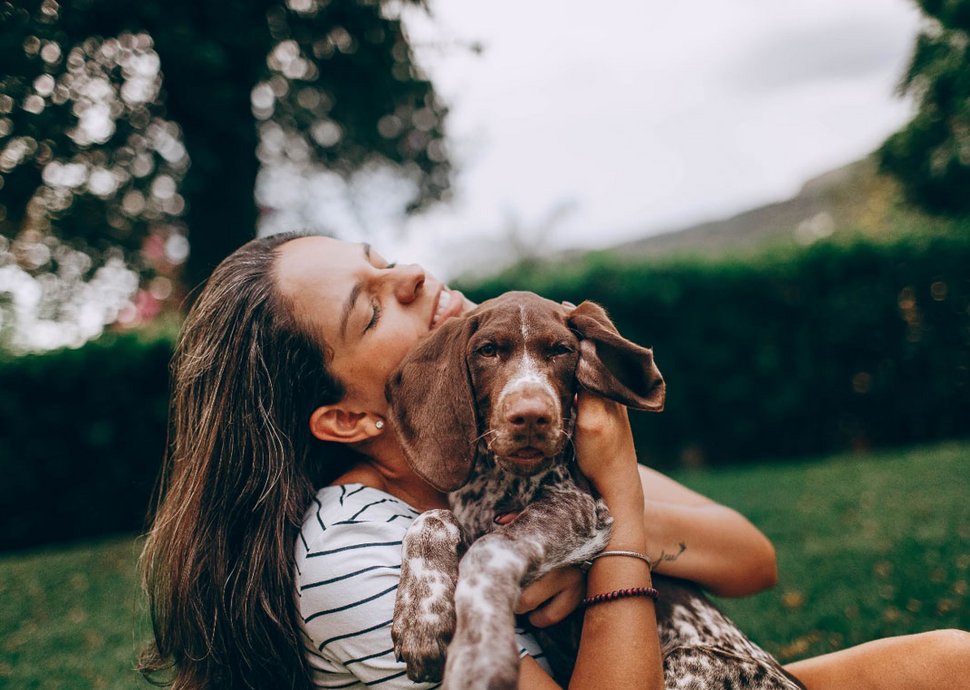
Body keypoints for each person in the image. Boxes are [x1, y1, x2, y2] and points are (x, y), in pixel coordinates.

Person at [139, 232, 970, 690]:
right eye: (374, 302)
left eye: (385, 259)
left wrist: (595, 536)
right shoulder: (353, 551)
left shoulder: (532, 434)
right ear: (349, 415)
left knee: (952, 662)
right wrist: (616, 519)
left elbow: (751, 559)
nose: (415, 274)